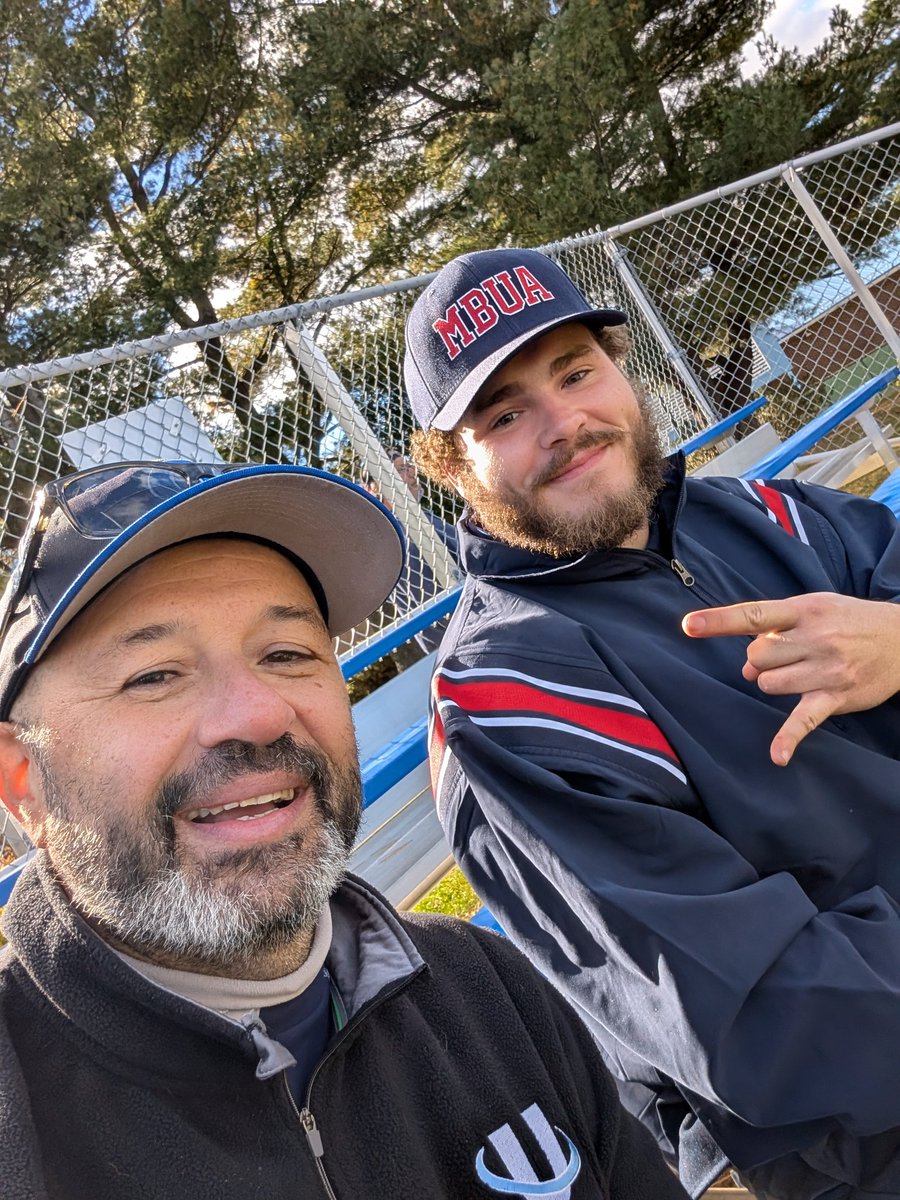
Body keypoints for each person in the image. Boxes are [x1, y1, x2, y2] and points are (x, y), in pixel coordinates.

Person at [0, 460, 687, 1200]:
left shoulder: (489, 990)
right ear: (23, 782)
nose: (260, 716)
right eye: (154, 675)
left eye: (288, 654)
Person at [403, 247, 900, 1200]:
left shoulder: (768, 516)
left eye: (577, 371)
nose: (567, 424)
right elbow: (770, 1018)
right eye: (505, 414)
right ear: (448, 468)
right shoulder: (505, 702)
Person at [365, 446, 459, 653]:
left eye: (408, 465)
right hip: (459, 639)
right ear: (374, 487)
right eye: (400, 469)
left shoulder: (420, 517)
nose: (411, 472)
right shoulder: (397, 535)